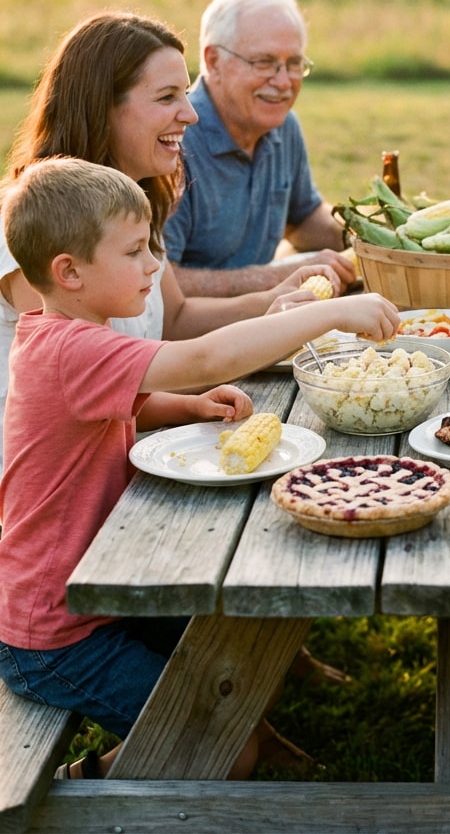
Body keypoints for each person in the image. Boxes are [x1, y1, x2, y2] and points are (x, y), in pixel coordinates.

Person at [0, 157, 399, 779]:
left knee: (235, 655)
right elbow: (204, 355)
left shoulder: (61, 335)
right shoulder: (73, 348)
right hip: (53, 634)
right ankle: (79, 783)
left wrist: (186, 406)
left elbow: (124, 406)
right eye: (134, 252)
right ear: (69, 272)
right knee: (226, 746)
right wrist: (327, 313)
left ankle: (242, 735)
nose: (153, 266)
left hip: (97, 595)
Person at [0, 12, 343, 469]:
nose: (192, 114)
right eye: (167, 97)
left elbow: (175, 318)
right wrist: (311, 318)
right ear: (102, 106)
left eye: (185, 93)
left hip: (126, 462)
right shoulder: (34, 224)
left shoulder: (128, 203)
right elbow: (141, 368)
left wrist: (271, 301)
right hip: (60, 487)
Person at [163, 0, 355, 296]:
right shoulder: (173, 140)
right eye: (263, 62)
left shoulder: (283, 126)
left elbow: (303, 217)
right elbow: (158, 286)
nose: (283, 82)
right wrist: (283, 276)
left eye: (294, 64)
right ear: (213, 61)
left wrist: (364, 237)